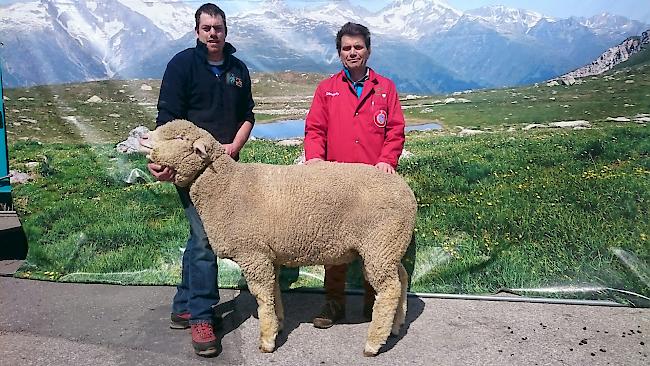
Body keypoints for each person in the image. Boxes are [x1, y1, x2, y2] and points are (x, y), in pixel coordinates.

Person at [147, 3, 255, 357]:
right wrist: (163, 162)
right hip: (193, 171)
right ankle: (202, 316)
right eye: (206, 27)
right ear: (197, 32)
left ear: (226, 31)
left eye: (218, 27)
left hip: (228, 168)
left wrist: (233, 148)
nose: (213, 33)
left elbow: (247, 115)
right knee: (205, 237)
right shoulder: (182, 65)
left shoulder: (238, 69)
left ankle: (183, 304)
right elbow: (167, 121)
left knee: (199, 237)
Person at [304, 22, 406, 329]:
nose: (352, 53)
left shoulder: (385, 88)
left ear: (368, 50)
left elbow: (395, 130)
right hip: (335, 184)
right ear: (339, 53)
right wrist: (315, 162)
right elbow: (314, 130)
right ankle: (333, 303)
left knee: (375, 246)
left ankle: (373, 303)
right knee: (332, 244)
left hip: (373, 186)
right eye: (346, 48)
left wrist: (387, 160)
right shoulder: (327, 89)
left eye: (358, 47)